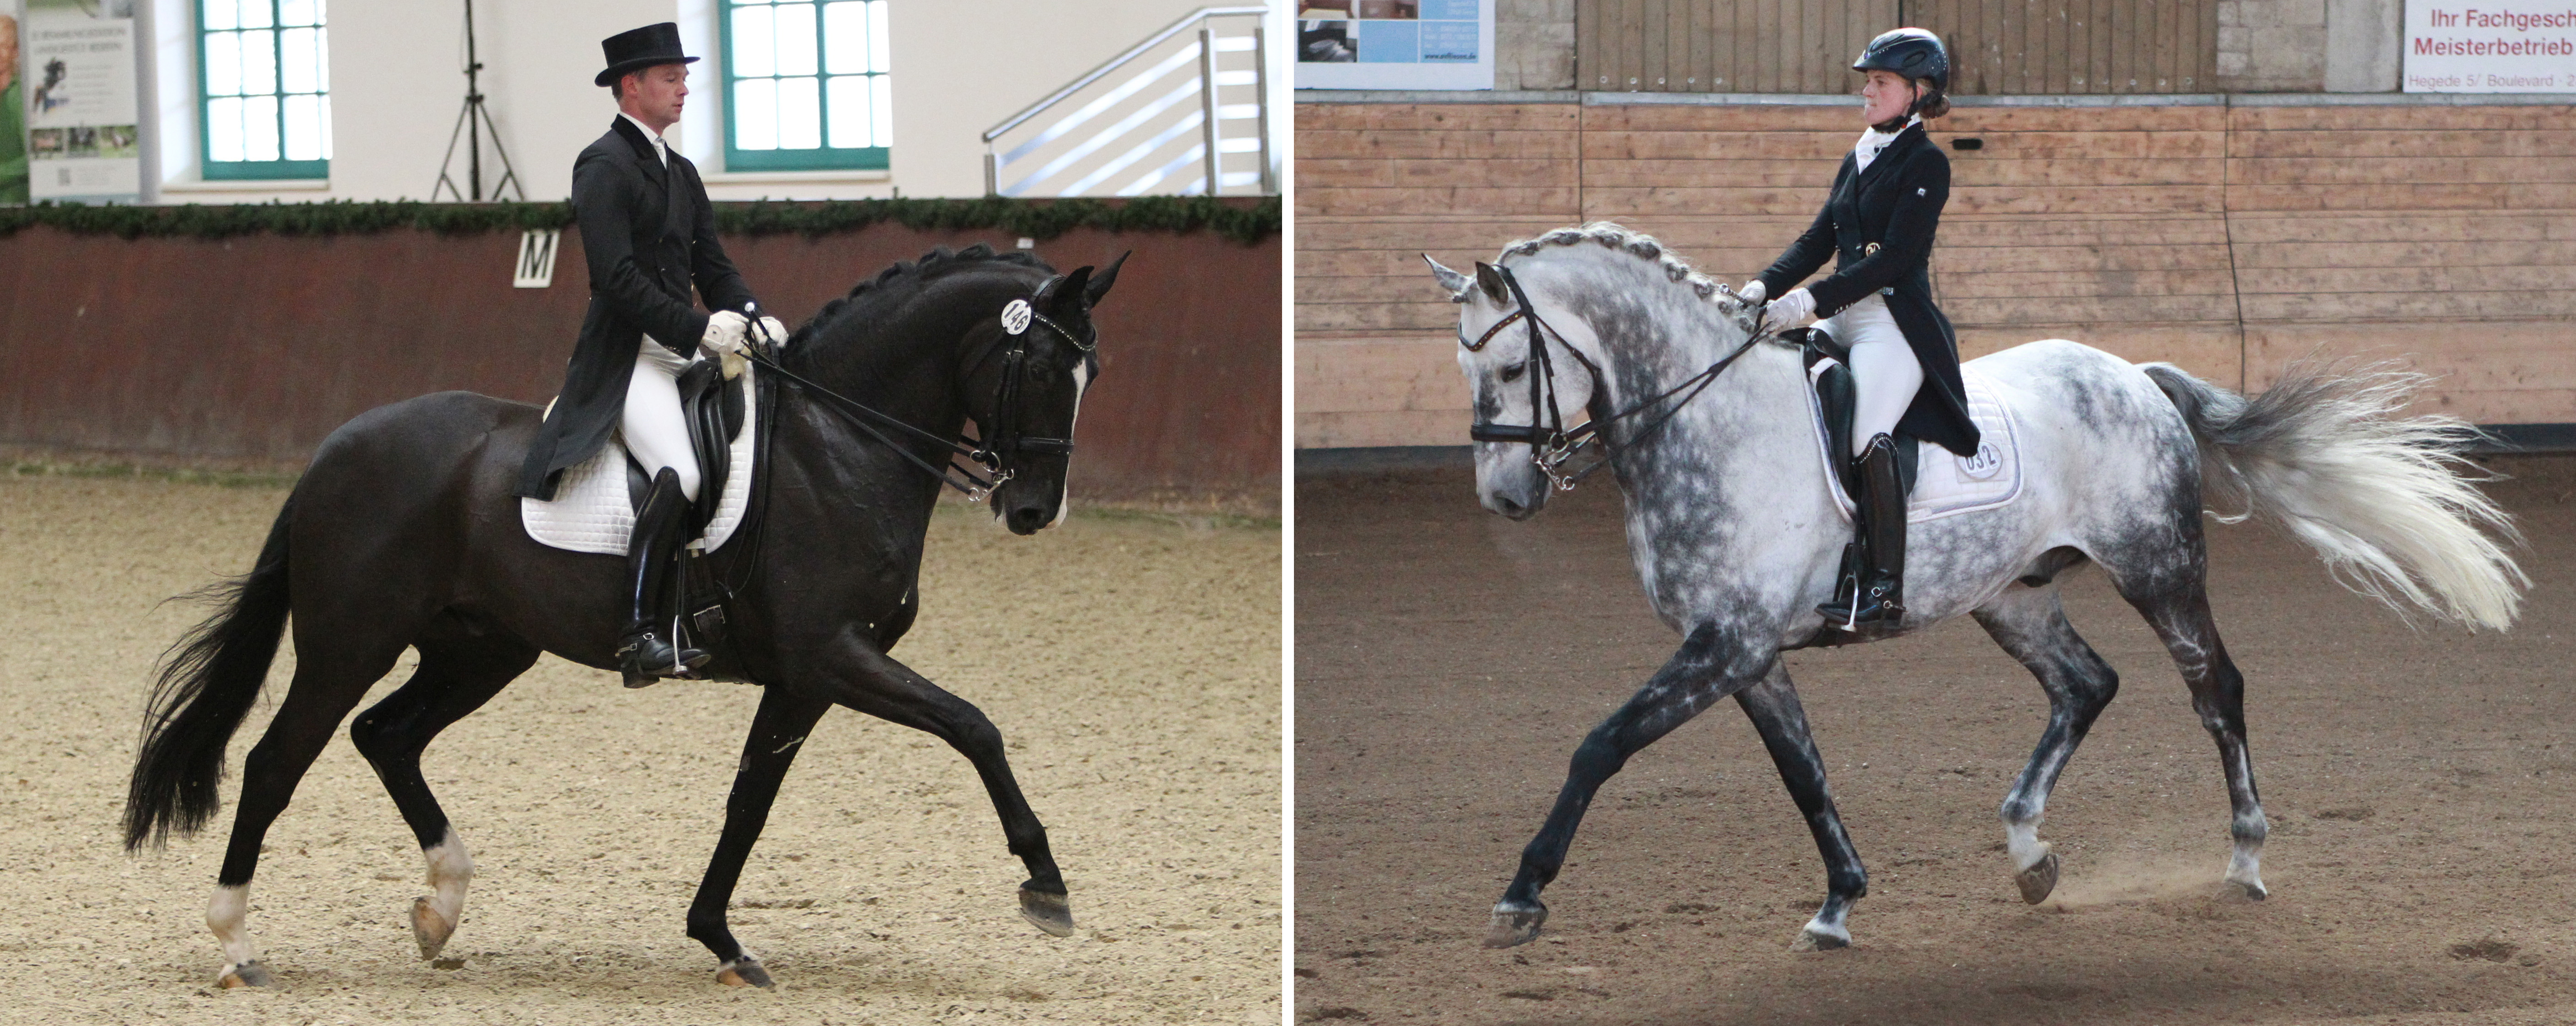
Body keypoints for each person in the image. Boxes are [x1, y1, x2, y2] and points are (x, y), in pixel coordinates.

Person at [513, 22, 786, 686]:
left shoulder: (680, 171)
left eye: (685, 77)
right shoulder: (602, 166)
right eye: (672, 78)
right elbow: (616, 279)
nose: (684, 88)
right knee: (683, 474)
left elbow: (713, 266)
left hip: (684, 352)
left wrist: (752, 316)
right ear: (632, 87)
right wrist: (699, 329)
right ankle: (638, 631)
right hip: (628, 357)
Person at [1740, 27, 1980, 633]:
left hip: (1892, 323)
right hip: (1843, 316)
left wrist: (1808, 300)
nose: (1866, 93)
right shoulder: (1860, 154)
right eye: (1867, 82)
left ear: (1916, 92)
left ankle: (1882, 587)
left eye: (1879, 83)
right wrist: (1759, 288)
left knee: (1867, 431)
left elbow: (1894, 258)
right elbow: (1817, 240)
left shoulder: (1926, 163)